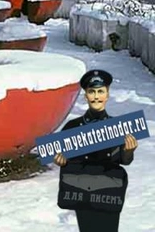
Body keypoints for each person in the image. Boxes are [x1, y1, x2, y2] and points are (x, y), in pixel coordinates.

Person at [53, 69, 138, 232]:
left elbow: (124, 161)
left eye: (101, 91)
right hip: (82, 191)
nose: (96, 96)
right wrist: (61, 161)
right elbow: (65, 158)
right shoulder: (72, 127)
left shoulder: (118, 127)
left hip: (109, 192)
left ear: (107, 95)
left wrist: (128, 151)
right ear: (86, 96)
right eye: (92, 92)